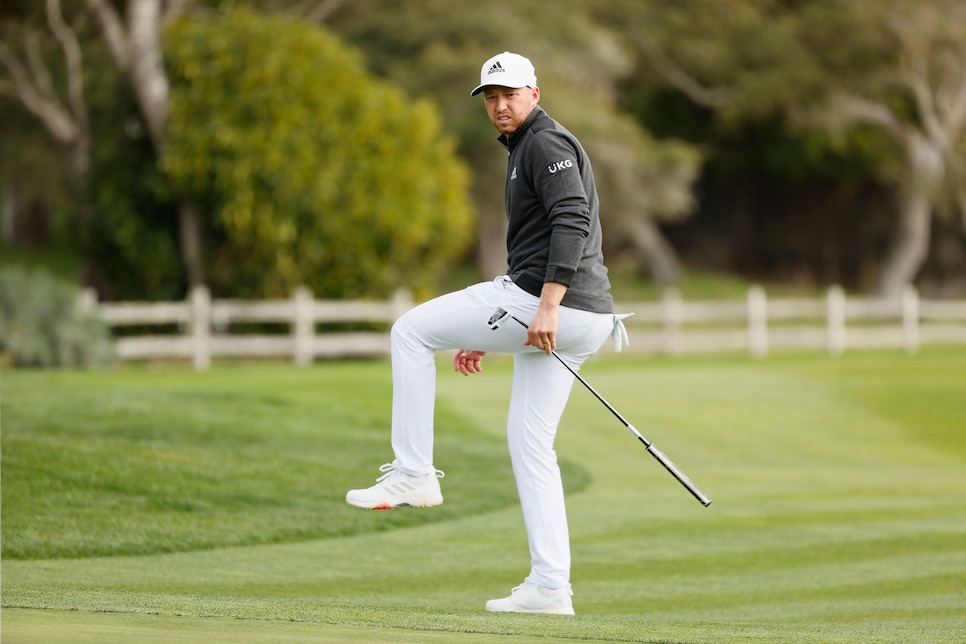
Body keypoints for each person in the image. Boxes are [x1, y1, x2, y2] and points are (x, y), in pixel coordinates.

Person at [345, 51, 628, 615]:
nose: (500, 105)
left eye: (510, 94)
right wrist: (494, 328)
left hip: (553, 306)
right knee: (531, 445)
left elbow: (572, 220)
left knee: (409, 332)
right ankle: (551, 587)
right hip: (578, 314)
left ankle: (413, 474)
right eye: (491, 97)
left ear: (534, 94)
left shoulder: (544, 144)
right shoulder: (525, 146)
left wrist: (545, 306)